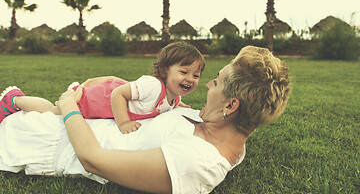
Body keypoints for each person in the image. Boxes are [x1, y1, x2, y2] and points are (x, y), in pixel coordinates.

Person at [0, 46, 290, 194]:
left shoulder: (196, 161)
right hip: (68, 123)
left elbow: (92, 158)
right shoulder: (212, 125)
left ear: (231, 105)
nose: (208, 84)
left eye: (217, 81)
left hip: (46, 142)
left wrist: (67, 106)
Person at [0, 41, 205, 134]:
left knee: (56, 111)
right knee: (55, 111)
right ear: (164, 70)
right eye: (184, 72)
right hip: (97, 100)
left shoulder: (174, 96)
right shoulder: (153, 86)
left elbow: (173, 103)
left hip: (102, 103)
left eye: (196, 75)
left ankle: (16, 100)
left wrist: (182, 107)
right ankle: (13, 99)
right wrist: (123, 122)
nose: (191, 79)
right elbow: (118, 93)